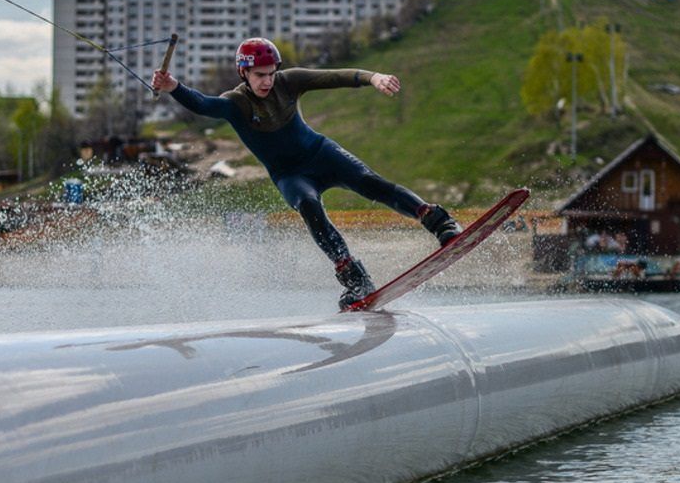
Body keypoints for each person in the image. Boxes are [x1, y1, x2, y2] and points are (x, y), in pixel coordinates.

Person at [152, 37, 462, 309]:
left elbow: (333, 77)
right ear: (243, 73)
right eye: (260, 76)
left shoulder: (289, 81)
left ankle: (439, 222)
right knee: (309, 206)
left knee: (370, 183)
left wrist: (373, 77)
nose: (267, 82)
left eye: (271, 74)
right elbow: (204, 104)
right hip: (289, 175)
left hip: (321, 154)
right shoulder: (236, 103)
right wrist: (173, 87)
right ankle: (354, 278)